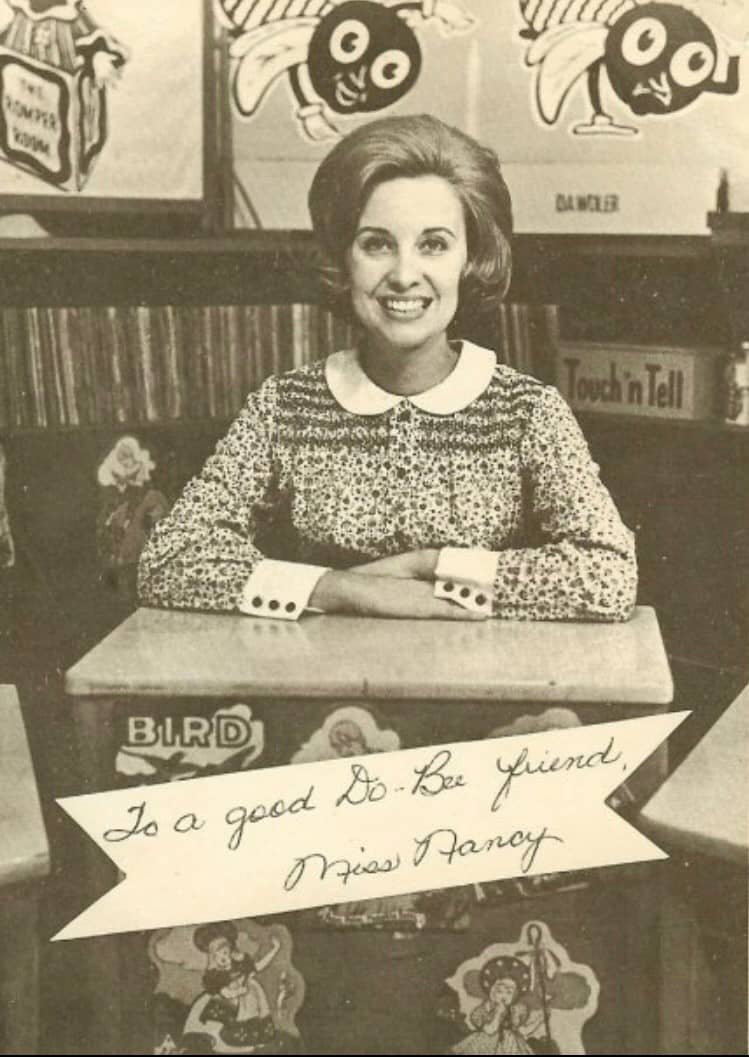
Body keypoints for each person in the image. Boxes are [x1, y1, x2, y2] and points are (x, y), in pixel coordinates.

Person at [137, 114, 636, 623]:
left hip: (479, 682)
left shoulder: (527, 411)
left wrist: (432, 567)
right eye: (377, 243)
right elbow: (170, 558)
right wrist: (347, 590)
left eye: (434, 245)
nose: (403, 275)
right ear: (343, 259)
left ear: (472, 259)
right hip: (318, 679)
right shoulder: (284, 407)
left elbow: (608, 575)